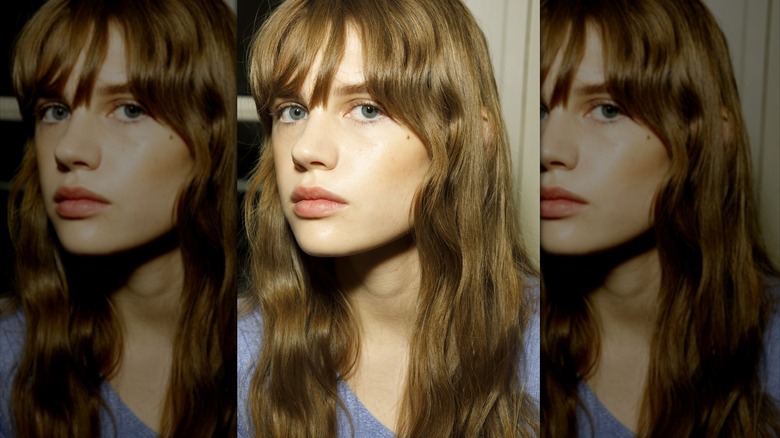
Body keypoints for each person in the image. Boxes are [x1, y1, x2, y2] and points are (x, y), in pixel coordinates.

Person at [237, 0, 539, 436]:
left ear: (473, 136)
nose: (305, 148)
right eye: (293, 111)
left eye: (367, 109)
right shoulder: (242, 361)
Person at [540, 0, 780, 436]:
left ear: (709, 136)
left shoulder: (772, 349)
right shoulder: (507, 342)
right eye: (541, 111)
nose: (548, 148)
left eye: (607, 109)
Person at [0, 0, 236, 436]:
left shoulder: (253, 358)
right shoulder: (11, 366)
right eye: (55, 110)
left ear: (214, 135)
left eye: (129, 109)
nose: (68, 149)